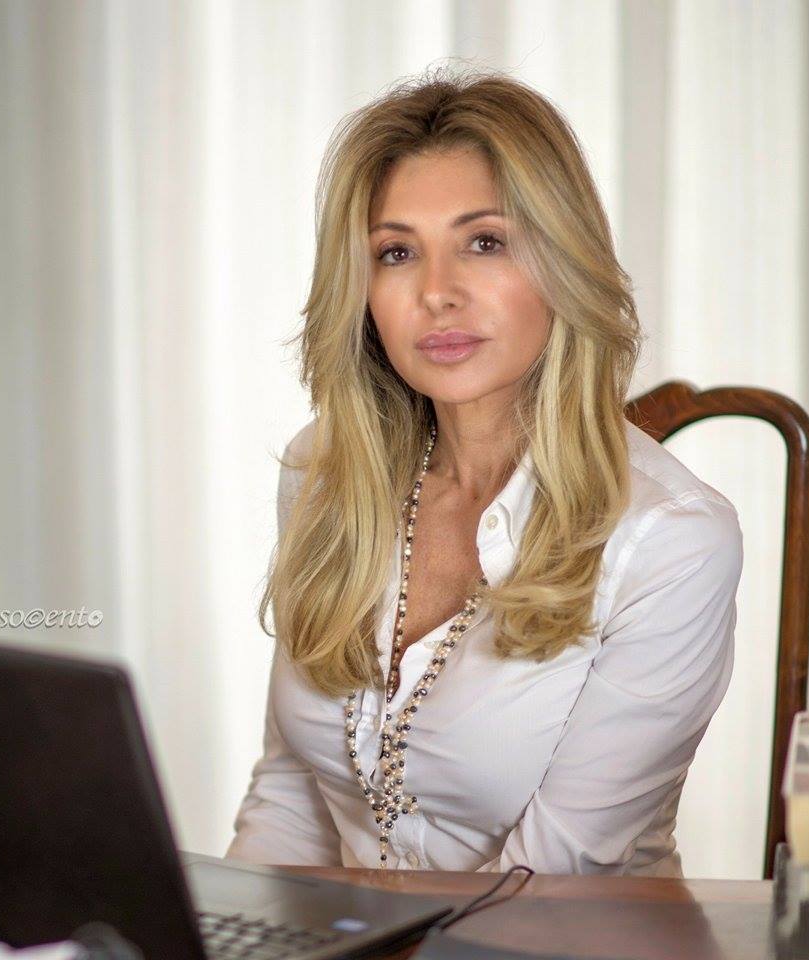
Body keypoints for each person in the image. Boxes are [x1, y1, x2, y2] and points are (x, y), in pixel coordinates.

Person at [224, 65, 743, 876]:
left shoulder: (671, 541)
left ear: (562, 260)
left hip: (557, 934)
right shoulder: (323, 473)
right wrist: (226, 932)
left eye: (485, 242)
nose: (438, 293)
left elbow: (552, 878)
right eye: (397, 252)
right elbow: (292, 796)